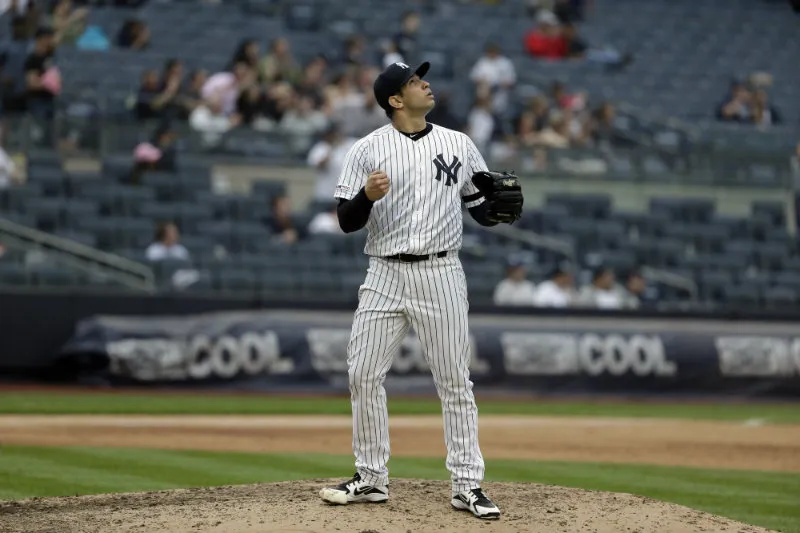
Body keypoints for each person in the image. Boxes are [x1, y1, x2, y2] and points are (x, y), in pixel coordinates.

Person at [318, 61, 508, 520]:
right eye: (413, 81)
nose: (425, 83)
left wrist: (497, 210)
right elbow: (345, 220)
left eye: (422, 78)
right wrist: (366, 196)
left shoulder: (459, 143)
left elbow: (480, 207)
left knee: (453, 382)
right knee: (362, 373)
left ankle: (467, 484)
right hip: (383, 272)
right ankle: (371, 478)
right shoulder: (367, 149)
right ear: (396, 101)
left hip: (440, 272)